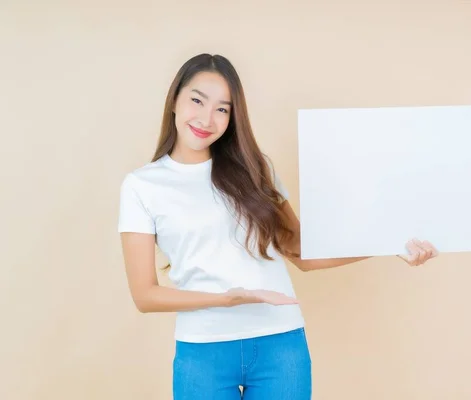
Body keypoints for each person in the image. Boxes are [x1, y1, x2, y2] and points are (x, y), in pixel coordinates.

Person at [117, 53, 438, 400]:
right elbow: (145, 295)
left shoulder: (256, 170)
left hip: (280, 347)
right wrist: (226, 300)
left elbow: (303, 253)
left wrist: (389, 243)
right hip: (203, 351)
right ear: (175, 100)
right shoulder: (142, 186)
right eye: (197, 100)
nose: (207, 118)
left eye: (222, 109)